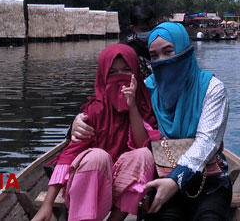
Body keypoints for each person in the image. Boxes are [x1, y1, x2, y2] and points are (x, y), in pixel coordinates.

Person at [32, 44, 158, 221]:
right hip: (92, 188)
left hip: (123, 187)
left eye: (126, 70)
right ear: (103, 76)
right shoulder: (94, 111)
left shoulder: (145, 106)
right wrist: (47, 204)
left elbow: (142, 144)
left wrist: (132, 107)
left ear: (136, 73)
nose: (119, 78)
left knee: (144, 155)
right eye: (112, 72)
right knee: (97, 156)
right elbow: (69, 155)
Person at [142, 22, 231, 221]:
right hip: (161, 176)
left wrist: (176, 179)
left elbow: (207, 141)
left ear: (184, 50)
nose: (162, 61)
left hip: (209, 179)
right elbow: (114, 118)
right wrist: (76, 124)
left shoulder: (211, 88)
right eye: (154, 56)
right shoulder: (147, 89)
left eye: (168, 51)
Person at [71, 6, 157, 142]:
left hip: (149, 102)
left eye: (152, 28)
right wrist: (79, 121)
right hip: (132, 99)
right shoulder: (124, 50)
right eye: (143, 30)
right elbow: (108, 86)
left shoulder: (160, 42)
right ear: (133, 28)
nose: (149, 33)